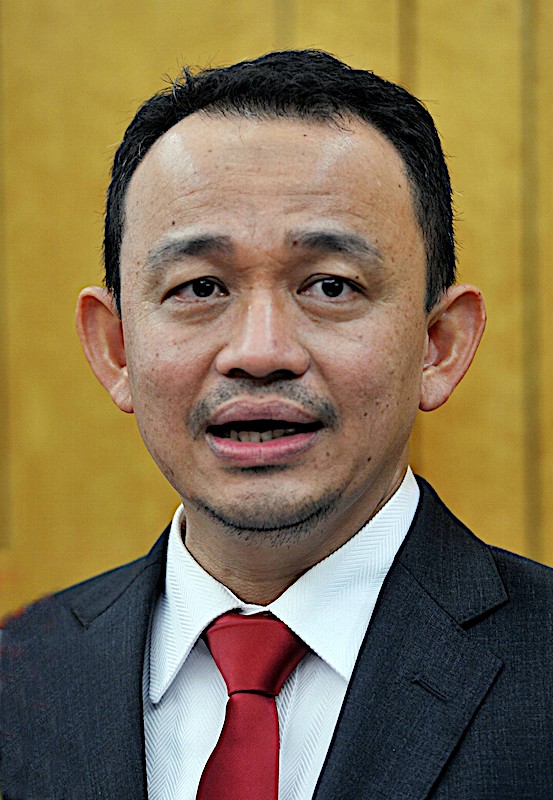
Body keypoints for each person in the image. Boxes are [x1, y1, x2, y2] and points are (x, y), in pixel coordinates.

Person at [1, 49, 552, 800]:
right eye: (200, 287)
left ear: (438, 345)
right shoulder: (20, 677)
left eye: (330, 286)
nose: (260, 353)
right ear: (117, 348)